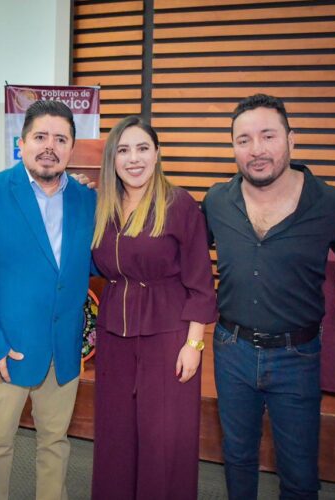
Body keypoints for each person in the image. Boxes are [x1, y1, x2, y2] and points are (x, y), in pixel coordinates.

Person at [202, 94, 335, 500]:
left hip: (298, 355)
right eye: (244, 140)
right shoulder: (216, 201)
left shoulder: (332, 204)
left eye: (268, 136)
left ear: (291, 139)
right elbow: (181, 257)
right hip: (231, 350)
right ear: (233, 147)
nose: (256, 149)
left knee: (300, 470)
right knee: (237, 458)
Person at [0, 100, 95, 500]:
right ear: (22, 142)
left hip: (62, 350)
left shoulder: (87, 199)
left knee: (56, 444)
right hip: (5, 351)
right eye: (40, 136)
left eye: (60, 139)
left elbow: (89, 265)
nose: (50, 146)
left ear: (71, 147)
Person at [90, 116, 217, 499]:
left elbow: (201, 283)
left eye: (142, 148)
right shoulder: (103, 205)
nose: (134, 159)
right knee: (115, 435)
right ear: (112, 159)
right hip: (114, 333)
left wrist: (194, 345)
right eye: (123, 150)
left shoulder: (179, 204)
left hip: (169, 334)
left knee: (164, 439)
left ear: (157, 153)